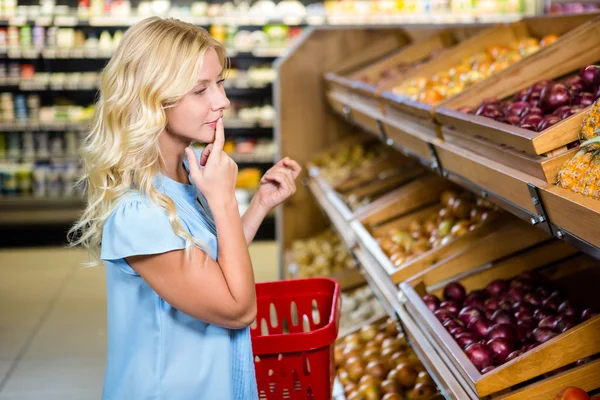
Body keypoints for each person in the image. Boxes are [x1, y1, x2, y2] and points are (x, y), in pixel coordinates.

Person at [68, 17, 302, 400]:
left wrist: (258, 205)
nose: (222, 101)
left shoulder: (183, 178)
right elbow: (237, 308)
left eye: (220, 83)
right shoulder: (139, 212)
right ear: (152, 98)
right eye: (200, 90)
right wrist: (224, 200)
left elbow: (211, 266)